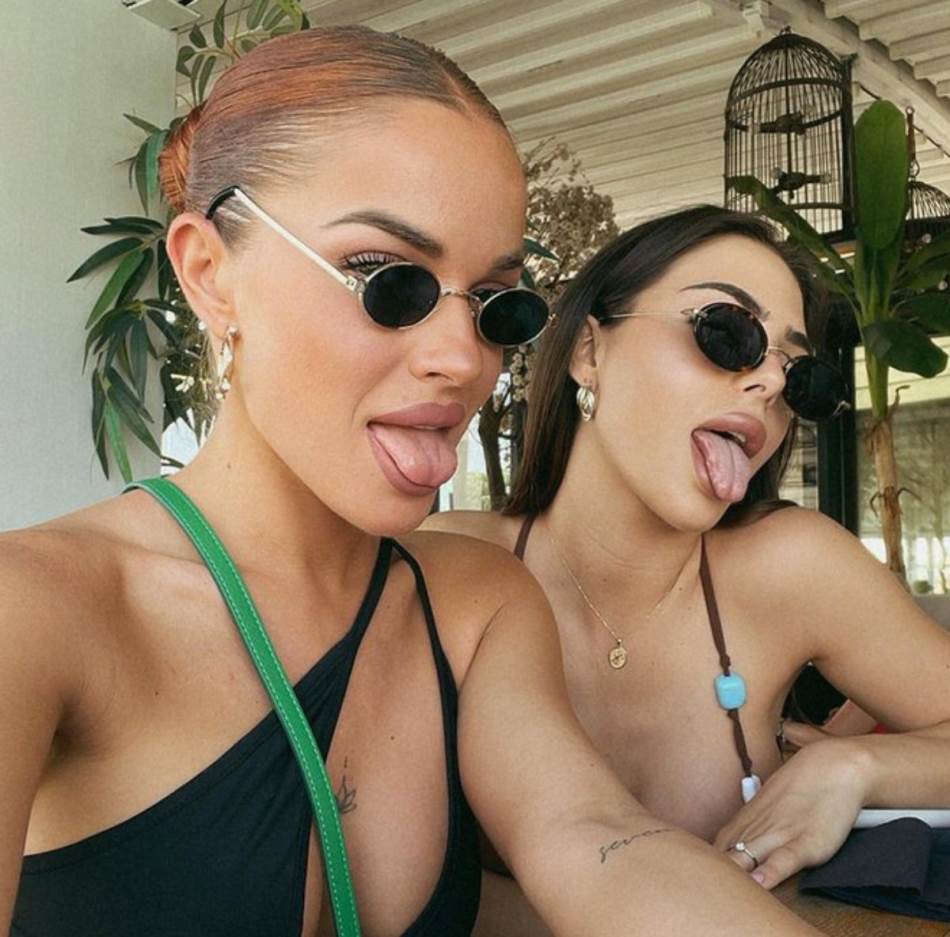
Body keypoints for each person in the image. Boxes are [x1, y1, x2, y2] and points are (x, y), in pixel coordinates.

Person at [0, 28, 828, 937]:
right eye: (388, 280)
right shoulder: (36, 609)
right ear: (209, 273)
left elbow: (595, 835)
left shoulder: (476, 606)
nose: (462, 359)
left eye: (496, 303)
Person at [426, 205, 950, 936]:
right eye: (728, 333)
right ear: (588, 351)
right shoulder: (445, 569)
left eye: (798, 373)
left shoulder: (791, 565)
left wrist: (854, 767)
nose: (769, 384)